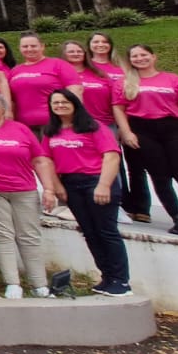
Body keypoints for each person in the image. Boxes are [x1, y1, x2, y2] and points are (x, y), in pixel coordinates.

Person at [114, 45, 178, 239]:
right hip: (142, 130)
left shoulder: (172, 79)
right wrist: (126, 132)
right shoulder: (124, 82)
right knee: (160, 177)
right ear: (130, 60)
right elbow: (118, 108)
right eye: (135, 56)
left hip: (173, 128)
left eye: (144, 55)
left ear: (153, 57)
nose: (140, 58)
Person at [42, 89, 131, 296]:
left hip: (96, 181)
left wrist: (104, 185)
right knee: (89, 232)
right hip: (71, 184)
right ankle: (107, 277)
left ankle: (121, 281)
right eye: (56, 103)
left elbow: (111, 157)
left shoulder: (94, 126)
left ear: (75, 103)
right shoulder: (51, 131)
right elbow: (47, 160)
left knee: (106, 232)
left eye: (65, 102)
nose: (60, 106)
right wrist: (57, 186)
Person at [0, 92, 57, 299]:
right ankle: (12, 283)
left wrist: (49, 189)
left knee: (30, 236)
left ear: (4, 108)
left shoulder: (20, 129)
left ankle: (39, 285)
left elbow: (39, 160)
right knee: (2, 236)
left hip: (24, 190)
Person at [62, 39, 135, 220]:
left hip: (105, 124)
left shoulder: (99, 73)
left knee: (111, 164)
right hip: (75, 126)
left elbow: (116, 100)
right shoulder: (61, 74)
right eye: (71, 51)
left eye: (79, 51)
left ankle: (115, 205)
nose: (75, 54)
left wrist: (122, 125)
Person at [8, 33, 81, 131]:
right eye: (25, 46)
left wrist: (74, 117)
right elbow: (11, 100)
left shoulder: (58, 64)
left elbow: (75, 90)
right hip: (24, 126)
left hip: (55, 123)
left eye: (33, 46)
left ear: (42, 46)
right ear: (20, 48)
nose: (29, 49)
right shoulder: (14, 71)